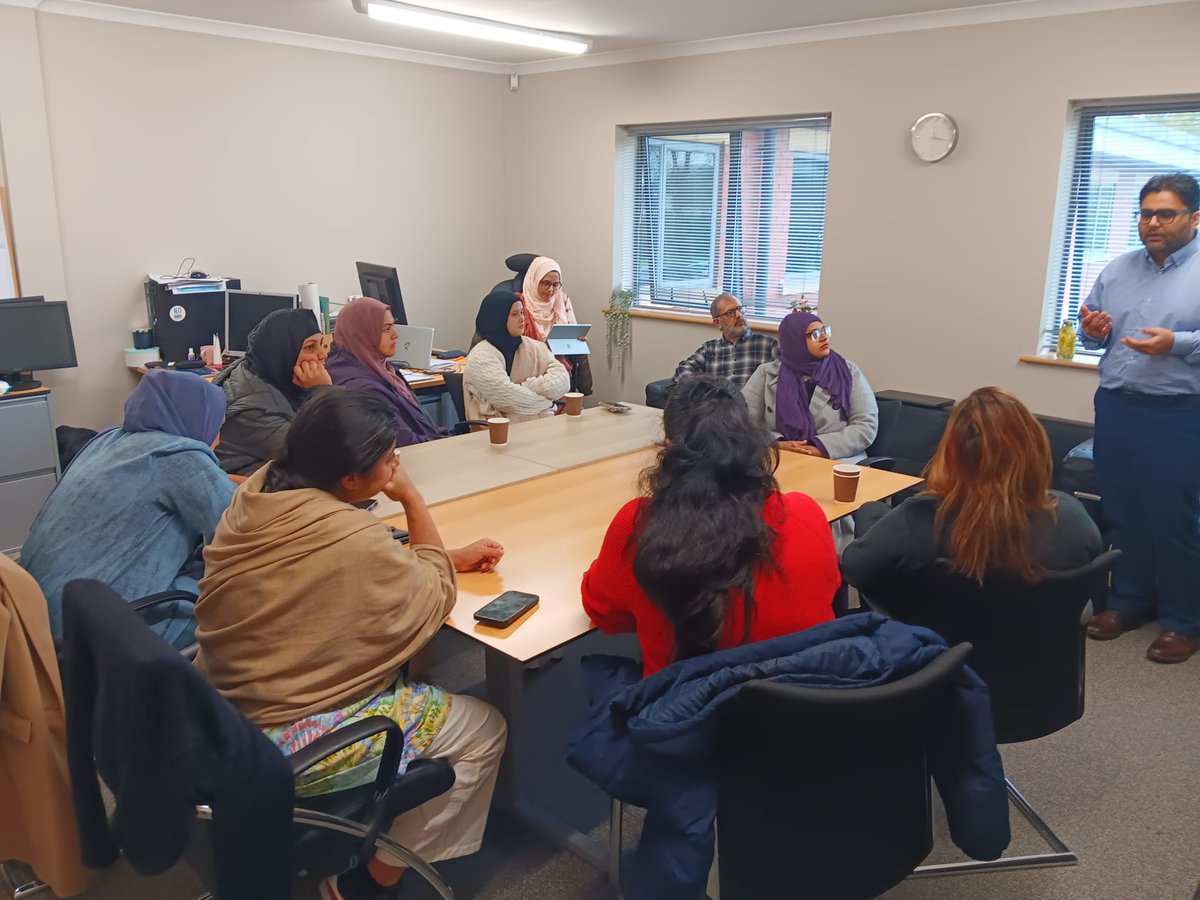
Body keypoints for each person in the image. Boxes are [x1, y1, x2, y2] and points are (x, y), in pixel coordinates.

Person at [194, 388, 507, 900]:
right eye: (387, 462)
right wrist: (411, 497)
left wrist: (433, 553)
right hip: (282, 744)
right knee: (486, 729)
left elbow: (335, 579)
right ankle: (367, 882)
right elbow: (435, 592)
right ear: (350, 480)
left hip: (219, 707)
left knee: (407, 663)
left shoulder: (258, 491)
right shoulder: (350, 537)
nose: (395, 468)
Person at [581, 376, 840, 676]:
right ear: (751, 441)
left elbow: (604, 614)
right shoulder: (806, 513)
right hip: (809, 706)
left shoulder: (640, 526)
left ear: (668, 449)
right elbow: (828, 587)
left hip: (683, 714)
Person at [1078, 172, 1200, 664]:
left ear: (1194, 217)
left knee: (1175, 518)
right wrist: (1091, 330)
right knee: (1122, 509)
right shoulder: (1118, 269)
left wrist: (1179, 344)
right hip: (1117, 405)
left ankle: (1182, 620)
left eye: (1165, 213)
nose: (1152, 223)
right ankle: (1128, 601)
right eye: (1145, 213)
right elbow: (1092, 334)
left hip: (1179, 413)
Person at [20, 368, 233, 649]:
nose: (217, 438)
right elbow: (244, 528)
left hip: (38, 620)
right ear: (200, 419)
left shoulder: (106, 441)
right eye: (218, 425)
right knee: (242, 597)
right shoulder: (178, 456)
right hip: (102, 634)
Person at [841, 387, 1104, 597]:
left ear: (949, 454)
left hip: (938, 659)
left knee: (870, 511)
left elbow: (856, 569)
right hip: (1042, 659)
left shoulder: (917, 521)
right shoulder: (1072, 517)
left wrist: (871, 516)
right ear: (1035, 449)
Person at [742, 311, 878, 461]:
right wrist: (777, 443)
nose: (824, 337)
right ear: (794, 341)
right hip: (781, 456)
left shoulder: (848, 372)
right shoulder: (766, 373)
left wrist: (821, 448)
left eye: (825, 330)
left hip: (836, 458)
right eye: (815, 334)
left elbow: (865, 425)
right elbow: (744, 421)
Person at [212, 308, 330, 476]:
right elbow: (322, 458)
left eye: (321, 344)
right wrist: (324, 393)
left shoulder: (263, 369)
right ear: (282, 352)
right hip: (247, 496)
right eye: (310, 347)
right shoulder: (254, 409)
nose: (323, 354)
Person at [326, 295, 448, 447]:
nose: (395, 335)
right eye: (386, 329)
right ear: (362, 334)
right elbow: (405, 443)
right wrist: (448, 443)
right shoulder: (365, 388)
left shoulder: (379, 367)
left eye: (393, 326)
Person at [464, 289, 569, 422]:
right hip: (494, 432)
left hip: (539, 425)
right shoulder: (481, 356)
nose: (522, 319)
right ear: (498, 318)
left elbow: (563, 381)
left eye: (522, 313)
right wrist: (548, 403)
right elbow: (508, 399)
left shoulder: (534, 346)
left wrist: (530, 385)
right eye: (514, 314)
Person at [517, 255, 592, 395]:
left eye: (556, 284)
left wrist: (578, 340)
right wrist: (545, 347)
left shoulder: (562, 300)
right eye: (545, 283)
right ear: (534, 280)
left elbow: (572, 333)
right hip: (530, 373)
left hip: (559, 371)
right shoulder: (518, 303)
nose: (551, 290)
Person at [673, 293, 779, 390]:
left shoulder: (767, 345)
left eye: (740, 309)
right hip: (716, 406)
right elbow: (683, 370)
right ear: (717, 323)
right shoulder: (709, 349)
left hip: (750, 407)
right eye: (730, 312)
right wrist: (700, 390)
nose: (739, 315)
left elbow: (787, 378)